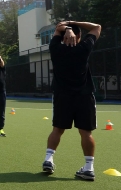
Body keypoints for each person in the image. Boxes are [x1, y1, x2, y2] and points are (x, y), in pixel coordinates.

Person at [43, 20, 102, 181]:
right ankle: (88, 168)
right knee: (86, 132)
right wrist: (73, 23)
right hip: (84, 96)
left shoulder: (55, 49)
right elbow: (97, 27)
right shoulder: (84, 48)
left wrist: (66, 27)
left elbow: (58, 29)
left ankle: (48, 159)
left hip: (62, 96)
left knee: (57, 129)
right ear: (79, 36)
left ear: (63, 37)